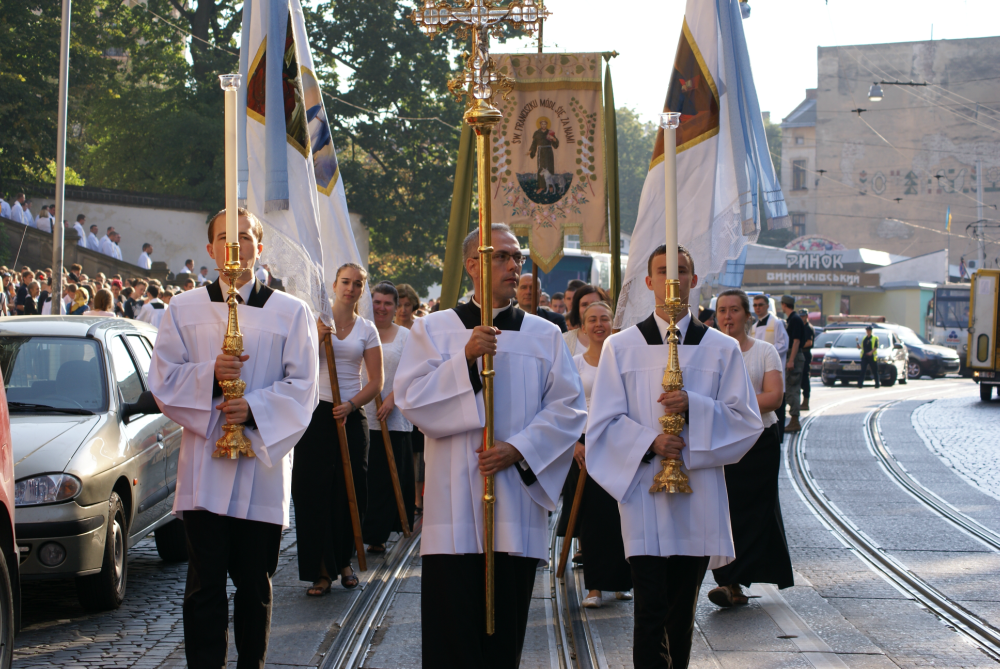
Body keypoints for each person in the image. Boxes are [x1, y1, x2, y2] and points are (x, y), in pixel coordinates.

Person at [394, 224, 586, 668]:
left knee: (504, 635)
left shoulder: (544, 334)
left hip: (514, 502)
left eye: (516, 256)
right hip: (453, 503)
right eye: (501, 256)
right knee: (451, 634)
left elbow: (568, 408)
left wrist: (518, 449)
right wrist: (463, 359)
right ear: (472, 264)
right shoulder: (434, 329)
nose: (513, 266)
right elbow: (412, 399)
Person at [148, 207, 318, 668]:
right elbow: (162, 379)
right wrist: (210, 376)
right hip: (204, 468)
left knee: (254, 583)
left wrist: (255, 410)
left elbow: (304, 386)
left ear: (258, 248)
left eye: (244, 237)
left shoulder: (290, 311)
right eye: (224, 238)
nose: (233, 247)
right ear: (209, 249)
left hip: (261, 468)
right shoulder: (184, 309)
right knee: (204, 583)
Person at [586, 244, 762, 669]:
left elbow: (746, 421)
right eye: (663, 271)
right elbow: (602, 424)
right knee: (649, 609)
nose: (672, 280)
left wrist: (696, 407)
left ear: (694, 280)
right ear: (648, 282)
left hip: (697, 496)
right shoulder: (621, 347)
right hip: (644, 496)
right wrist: (651, 442)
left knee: (681, 613)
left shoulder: (721, 348)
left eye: (680, 271)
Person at [292, 263, 383, 596]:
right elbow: (295, 365)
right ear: (334, 284)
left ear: (362, 290)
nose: (351, 288)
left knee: (351, 490)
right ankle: (319, 569)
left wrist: (352, 404)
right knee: (311, 490)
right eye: (346, 282)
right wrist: (316, 339)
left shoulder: (367, 330)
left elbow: (376, 381)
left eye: (358, 284)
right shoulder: (314, 322)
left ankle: (344, 561)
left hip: (350, 415)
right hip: (315, 413)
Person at [708, 290, 793, 607]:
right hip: (722, 442)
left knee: (756, 511)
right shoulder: (709, 352)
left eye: (734, 310)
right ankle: (727, 581)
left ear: (747, 315)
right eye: (721, 311)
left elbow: (773, 396)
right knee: (724, 510)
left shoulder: (764, 351)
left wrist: (728, 406)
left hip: (759, 443)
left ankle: (738, 579)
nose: (727, 316)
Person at [573, 300, 633, 608]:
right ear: (582, 327)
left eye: (604, 319)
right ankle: (594, 586)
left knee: (621, 514)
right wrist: (574, 442)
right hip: (584, 445)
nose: (599, 324)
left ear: (613, 324)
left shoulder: (623, 361)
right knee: (592, 517)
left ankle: (622, 581)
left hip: (617, 441)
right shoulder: (574, 363)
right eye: (592, 320)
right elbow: (563, 408)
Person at [361, 281, 416, 553]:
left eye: (387, 303)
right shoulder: (360, 330)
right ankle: (357, 528)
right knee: (365, 477)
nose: (381, 308)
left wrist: (393, 398)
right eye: (377, 302)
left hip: (392, 417)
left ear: (396, 308)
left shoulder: (405, 336)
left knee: (384, 477)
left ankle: (378, 533)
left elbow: (413, 372)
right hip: (361, 413)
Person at [751, 294, 789, 441]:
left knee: (776, 405)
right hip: (757, 370)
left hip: (771, 368)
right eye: (755, 305)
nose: (758, 308)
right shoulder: (754, 327)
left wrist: (766, 353)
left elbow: (783, 344)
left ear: (767, 306)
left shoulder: (777, 323)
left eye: (760, 305)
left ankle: (777, 437)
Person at [780, 295, 806, 433]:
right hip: (792, 356)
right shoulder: (793, 319)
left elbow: (796, 341)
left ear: (784, 305)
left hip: (794, 357)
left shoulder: (794, 320)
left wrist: (791, 360)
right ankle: (793, 419)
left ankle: (795, 420)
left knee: (792, 388)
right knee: (790, 387)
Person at [562, 284, 608, 356]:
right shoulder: (565, 341)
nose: (589, 308)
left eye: (594, 303)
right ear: (577, 309)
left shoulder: (617, 339)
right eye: (584, 304)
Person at [799, 309, 814, 410]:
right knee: (799, 378)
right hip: (801, 353)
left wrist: (798, 346)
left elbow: (809, 343)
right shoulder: (801, 326)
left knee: (804, 378)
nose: (802, 318)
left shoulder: (808, 328)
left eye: (803, 316)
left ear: (807, 316)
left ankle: (805, 401)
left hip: (805, 354)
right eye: (800, 316)